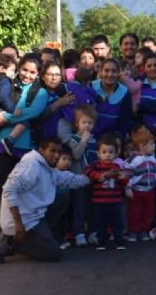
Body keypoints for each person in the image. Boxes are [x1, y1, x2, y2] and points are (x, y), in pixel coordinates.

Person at [0, 54, 49, 248]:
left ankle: (17, 238)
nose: (27, 75)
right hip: (0, 143)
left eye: (32, 72)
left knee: (22, 193)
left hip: (26, 147)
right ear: (18, 68)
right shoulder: (5, 83)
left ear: (38, 74)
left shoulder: (41, 93)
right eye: (24, 70)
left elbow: (32, 113)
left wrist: (4, 118)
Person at [0, 138, 90, 263]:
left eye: (59, 152)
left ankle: (41, 238)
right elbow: (9, 190)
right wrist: (18, 223)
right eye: (52, 151)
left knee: (61, 197)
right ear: (41, 150)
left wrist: (99, 176)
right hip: (21, 221)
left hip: (35, 217)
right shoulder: (31, 165)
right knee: (53, 254)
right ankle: (12, 242)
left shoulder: (48, 168)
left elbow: (70, 180)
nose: (56, 155)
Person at [84, 136, 129, 251]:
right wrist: (101, 176)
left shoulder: (117, 167)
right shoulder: (96, 165)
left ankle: (119, 242)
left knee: (117, 223)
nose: (107, 155)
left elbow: (124, 182)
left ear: (116, 153)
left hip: (115, 202)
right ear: (98, 153)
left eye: (111, 152)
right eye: (104, 152)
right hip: (99, 202)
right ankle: (101, 242)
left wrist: (123, 178)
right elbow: (87, 170)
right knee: (100, 224)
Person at [66, 104, 98, 247]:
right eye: (84, 122)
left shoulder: (95, 140)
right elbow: (76, 155)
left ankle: (92, 232)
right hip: (78, 178)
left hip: (92, 179)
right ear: (77, 124)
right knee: (78, 206)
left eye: (90, 123)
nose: (87, 126)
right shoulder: (74, 140)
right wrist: (83, 140)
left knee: (91, 206)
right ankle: (79, 233)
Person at [126, 127, 156, 242]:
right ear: (142, 146)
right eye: (151, 143)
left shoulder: (154, 160)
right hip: (136, 191)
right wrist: (128, 188)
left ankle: (144, 230)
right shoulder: (134, 160)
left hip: (150, 190)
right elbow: (128, 175)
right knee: (135, 211)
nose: (154, 146)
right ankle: (133, 231)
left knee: (148, 211)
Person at [91, 58, 132, 139]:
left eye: (114, 71)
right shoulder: (91, 87)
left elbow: (124, 121)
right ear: (101, 72)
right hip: (90, 136)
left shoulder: (124, 92)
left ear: (118, 73)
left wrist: (119, 140)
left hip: (112, 139)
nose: (110, 74)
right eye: (106, 70)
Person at [136, 53, 156, 130]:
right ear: (144, 68)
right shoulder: (137, 84)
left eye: (155, 65)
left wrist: (141, 106)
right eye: (149, 66)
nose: (153, 68)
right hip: (142, 130)